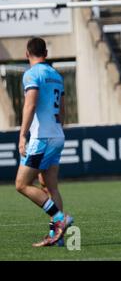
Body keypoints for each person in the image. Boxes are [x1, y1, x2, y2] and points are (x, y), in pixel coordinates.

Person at [15, 37, 73, 247]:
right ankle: (56, 237)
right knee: (50, 186)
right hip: (57, 134)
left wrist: (22, 135)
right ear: (46, 53)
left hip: (41, 137)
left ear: (27, 53)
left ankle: (59, 219)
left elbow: (30, 105)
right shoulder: (56, 75)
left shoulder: (32, 74)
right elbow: (63, 109)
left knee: (21, 184)